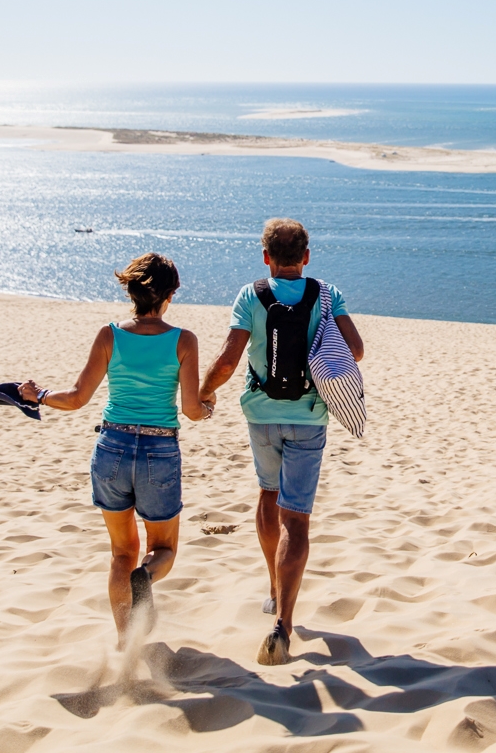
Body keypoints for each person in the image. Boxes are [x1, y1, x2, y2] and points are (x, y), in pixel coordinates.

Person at [17, 253, 207, 647]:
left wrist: (39, 396)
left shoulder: (109, 335)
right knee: (163, 548)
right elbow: (190, 410)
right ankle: (147, 577)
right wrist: (207, 409)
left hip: (112, 448)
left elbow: (75, 399)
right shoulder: (183, 340)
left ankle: (126, 644)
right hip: (158, 450)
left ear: (132, 291)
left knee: (122, 552)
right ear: (171, 294)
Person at [201, 219, 364, 665]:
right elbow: (356, 350)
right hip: (310, 417)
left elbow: (230, 357)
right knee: (297, 519)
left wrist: (204, 390)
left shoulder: (250, 294)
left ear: (266, 257)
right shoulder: (328, 294)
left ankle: (273, 590)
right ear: (306, 257)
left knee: (268, 494)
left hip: (261, 414)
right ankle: (284, 624)